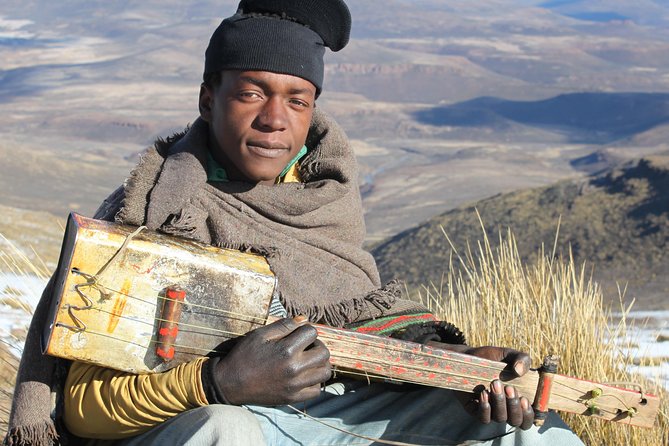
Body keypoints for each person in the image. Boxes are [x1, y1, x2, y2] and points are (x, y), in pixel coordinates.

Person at [6, 1, 584, 445]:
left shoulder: (323, 203)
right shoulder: (152, 212)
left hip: (330, 417)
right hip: (217, 421)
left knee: (533, 429)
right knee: (222, 431)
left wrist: (456, 368)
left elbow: (366, 326)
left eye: (298, 100)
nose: (274, 120)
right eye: (251, 93)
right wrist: (219, 384)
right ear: (209, 99)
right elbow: (83, 409)